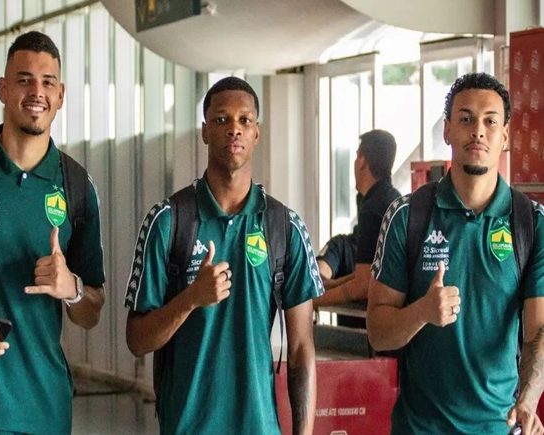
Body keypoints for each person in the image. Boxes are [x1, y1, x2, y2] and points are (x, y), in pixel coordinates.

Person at [125, 76, 323, 435]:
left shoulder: (285, 227)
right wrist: (190, 299)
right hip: (186, 426)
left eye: (245, 120)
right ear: (204, 131)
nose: (234, 128)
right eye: (221, 119)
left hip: (259, 426)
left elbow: (300, 349)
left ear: (257, 133)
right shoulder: (168, 221)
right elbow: (137, 340)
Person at [0, 31, 106, 434]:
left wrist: (71, 287)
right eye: (24, 79)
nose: (37, 92)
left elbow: (92, 311)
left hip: (44, 414)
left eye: (47, 82)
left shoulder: (77, 187)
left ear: (61, 95)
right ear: (3, 88)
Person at [367, 72, 544, 434]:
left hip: (498, 427)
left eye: (490, 121)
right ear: (447, 130)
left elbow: (538, 332)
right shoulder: (407, 216)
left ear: (505, 136)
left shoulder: (531, 223)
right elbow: (378, 334)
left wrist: (528, 399)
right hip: (420, 429)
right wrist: (421, 312)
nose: (477, 131)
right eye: (465, 119)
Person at [314, 129, 401, 308]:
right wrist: (334, 284)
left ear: (362, 160)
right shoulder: (394, 199)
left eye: (356, 156)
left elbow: (363, 286)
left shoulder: (373, 208)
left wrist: (312, 302)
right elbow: (371, 271)